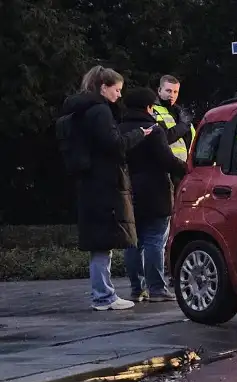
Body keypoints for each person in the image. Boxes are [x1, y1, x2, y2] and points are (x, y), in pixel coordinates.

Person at [59, 65, 153, 310]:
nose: (120, 95)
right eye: (117, 89)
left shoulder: (79, 110)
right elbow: (114, 144)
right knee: (103, 241)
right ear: (103, 87)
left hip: (89, 182)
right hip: (104, 182)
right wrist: (139, 134)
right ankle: (104, 296)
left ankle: (103, 293)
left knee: (99, 240)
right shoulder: (100, 111)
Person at [120, 87, 189, 302]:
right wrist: (189, 169)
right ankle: (157, 288)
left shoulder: (118, 129)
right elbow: (167, 160)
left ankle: (136, 288)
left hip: (127, 191)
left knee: (133, 242)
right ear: (149, 107)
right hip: (155, 190)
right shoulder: (153, 129)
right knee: (154, 241)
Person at [153, 74, 195, 163]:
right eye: (168, 91)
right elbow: (161, 139)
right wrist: (182, 126)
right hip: (163, 166)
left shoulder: (182, 113)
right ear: (159, 90)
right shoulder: (152, 110)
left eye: (175, 92)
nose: (172, 95)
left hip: (185, 166)